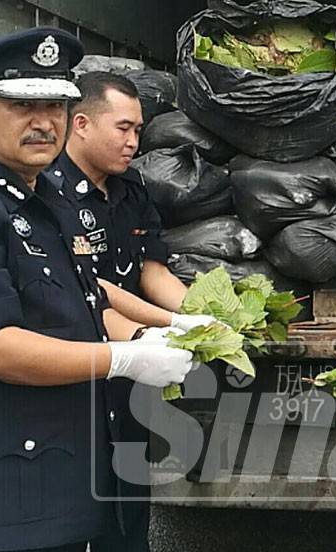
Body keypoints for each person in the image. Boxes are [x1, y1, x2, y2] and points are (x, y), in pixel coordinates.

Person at [0, 27, 194, 552]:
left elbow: (85, 300)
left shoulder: (47, 204)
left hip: (66, 490)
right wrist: (120, 360)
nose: (43, 123)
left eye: (55, 105)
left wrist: (168, 329)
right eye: (22, 105)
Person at [47, 71, 215, 551]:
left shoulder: (132, 189)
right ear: (81, 124)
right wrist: (148, 336)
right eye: (123, 128)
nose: (133, 142)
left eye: (139, 130)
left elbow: (150, 272)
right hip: (76, 375)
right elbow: (85, 295)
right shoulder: (47, 197)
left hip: (132, 380)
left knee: (127, 516)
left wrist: (199, 318)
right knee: (76, 514)